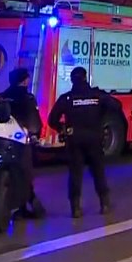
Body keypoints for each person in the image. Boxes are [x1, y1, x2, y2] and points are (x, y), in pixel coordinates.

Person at [47, 66, 121, 218]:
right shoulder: (97, 96)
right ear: (86, 78)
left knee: (75, 174)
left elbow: (52, 119)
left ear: (72, 80)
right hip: (94, 139)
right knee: (98, 171)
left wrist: (63, 128)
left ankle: (75, 208)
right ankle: (104, 204)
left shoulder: (67, 98)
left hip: (74, 140)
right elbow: (116, 106)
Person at [0, 68, 45, 218]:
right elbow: (34, 122)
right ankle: (27, 205)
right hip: (23, 141)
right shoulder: (28, 98)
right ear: (24, 80)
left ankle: (19, 205)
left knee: (12, 173)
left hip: (6, 140)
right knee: (25, 173)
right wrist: (35, 135)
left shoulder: (2, 96)